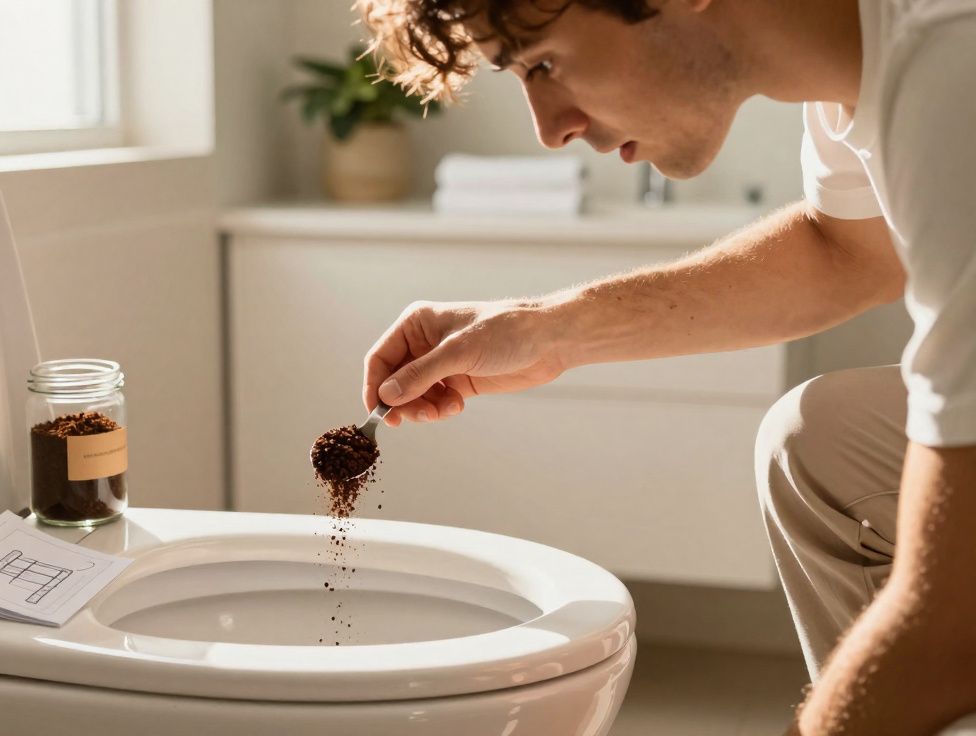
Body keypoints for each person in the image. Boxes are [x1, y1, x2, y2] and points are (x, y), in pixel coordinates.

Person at [356, 1, 976, 734]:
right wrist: (546, 331)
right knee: (818, 443)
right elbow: (847, 251)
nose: (551, 129)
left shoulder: (948, 71)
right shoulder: (856, 74)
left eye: (545, 63)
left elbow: (948, 629)